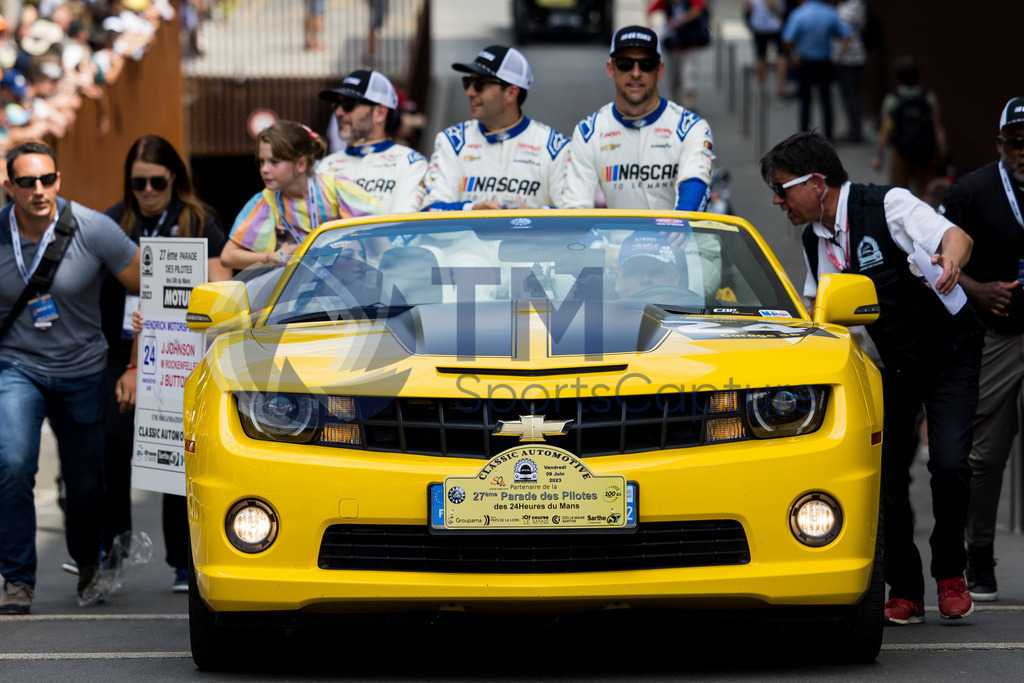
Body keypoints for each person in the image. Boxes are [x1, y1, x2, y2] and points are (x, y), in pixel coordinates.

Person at [760, 131, 986, 625]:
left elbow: (957, 237)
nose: (777, 201)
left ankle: (952, 570)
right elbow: (818, 310)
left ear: (816, 182)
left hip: (948, 351)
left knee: (949, 464)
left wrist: (950, 260)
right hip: (888, 366)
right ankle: (905, 589)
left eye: (781, 188)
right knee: (885, 475)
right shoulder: (813, 240)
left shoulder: (888, 205)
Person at [0, 141, 140, 614]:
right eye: (27, 182)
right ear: (10, 187)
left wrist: (136, 362)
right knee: (13, 465)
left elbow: (149, 283)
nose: (39, 190)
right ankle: (18, 581)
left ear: (58, 180)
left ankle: (87, 561)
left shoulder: (93, 228)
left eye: (47, 179)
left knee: (86, 484)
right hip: (17, 367)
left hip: (83, 369)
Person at [99, 135, 231, 593]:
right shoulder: (114, 221)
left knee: (177, 451)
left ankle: (182, 560)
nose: (149, 191)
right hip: (121, 349)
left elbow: (222, 281)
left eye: (157, 181)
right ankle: (111, 547)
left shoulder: (198, 218)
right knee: (112, 441)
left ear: (174, 176)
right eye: (139, 183)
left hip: (180, 350)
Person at [938, 97, 1024, 603]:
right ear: (1000, 143)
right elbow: (932, 257)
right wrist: (977, 290)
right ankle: (980, 554)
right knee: (985, 455)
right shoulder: (971, 191)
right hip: (997, 335)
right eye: (1017, 141)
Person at [562, 25, 715, 212]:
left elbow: (695, 185)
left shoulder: (690, 127)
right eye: (625, 64)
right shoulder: (589, 132)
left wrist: (677, 224)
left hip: (676, 229)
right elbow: (576, 207)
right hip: (615, 233)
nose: (635, 73)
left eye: (646, 64)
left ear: (659, 70)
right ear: (611, 69)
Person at [420, 45, 569, 211]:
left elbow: (574, 216)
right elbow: (429, 210)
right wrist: (473, 209)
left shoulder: (555, 147)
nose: (469, 92)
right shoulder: (452, 141)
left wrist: (530, 216)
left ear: (511, 93)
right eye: (467, 82)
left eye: (479, 84)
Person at [221, 120, 381, 271]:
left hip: (349, 275)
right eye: (261, 161)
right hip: (303, 283)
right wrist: (272, 258)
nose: (264, 169)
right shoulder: (267, 201)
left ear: (301, 164)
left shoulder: (335, 189)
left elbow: (380, 236)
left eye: (274, 161)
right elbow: (227, 256)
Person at [317, 70, 427, 214]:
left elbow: (403, 225)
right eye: (335, 105)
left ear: (380, 113)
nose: (338, 112)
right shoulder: (326, 166)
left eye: (348, 104)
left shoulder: (410, 163)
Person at [872, 57, 948, 198]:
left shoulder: (892, 100)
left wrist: (879, 155)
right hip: (925, 151)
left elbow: (885, 129)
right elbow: (938, 127)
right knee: (924, 190)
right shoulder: (928, 98)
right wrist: (944, 152)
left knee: (897, 192)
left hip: (901, 150)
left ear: (897, 78)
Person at [780, 0, 851, 141]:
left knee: (805, 102)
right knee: (826, 101)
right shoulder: (829, 12)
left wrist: (792, 56)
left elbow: (787, 39)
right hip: (824, 62)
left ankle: (803, 137)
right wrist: (839, 56)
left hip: (805, 62)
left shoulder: (799, 14)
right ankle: (829, 136)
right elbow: (847, 35)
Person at [646, 0, 710, 111]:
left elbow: (697, 10)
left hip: (690, 45)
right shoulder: (666, 2)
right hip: (673, 47)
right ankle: (676, 106)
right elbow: (650, 10)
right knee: (674, 79)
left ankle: (689, 106)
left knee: (689, 77)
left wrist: (678, 21)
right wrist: (652, 26)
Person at [833, 0, 867, 143]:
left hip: (851, 57)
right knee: (847, 95)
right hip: (848, 56)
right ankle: (853, 129)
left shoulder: (854, 6)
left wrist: (839, 55)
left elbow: (846, 33)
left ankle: (855, 131)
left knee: (851, 95)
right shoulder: (845, 5)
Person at [742, 0, 788, 101]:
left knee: (760, 56)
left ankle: (761, 88)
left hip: (759, 26)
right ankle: (781, 90)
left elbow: (748, 8)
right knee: (781, 56)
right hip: (776, 25)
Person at [615, 231, 684, 298]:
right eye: (634, 272)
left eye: (656, 272)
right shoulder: (608, 306)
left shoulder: (689, 305)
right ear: (618, 280)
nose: (646, 279)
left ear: (674, 279)